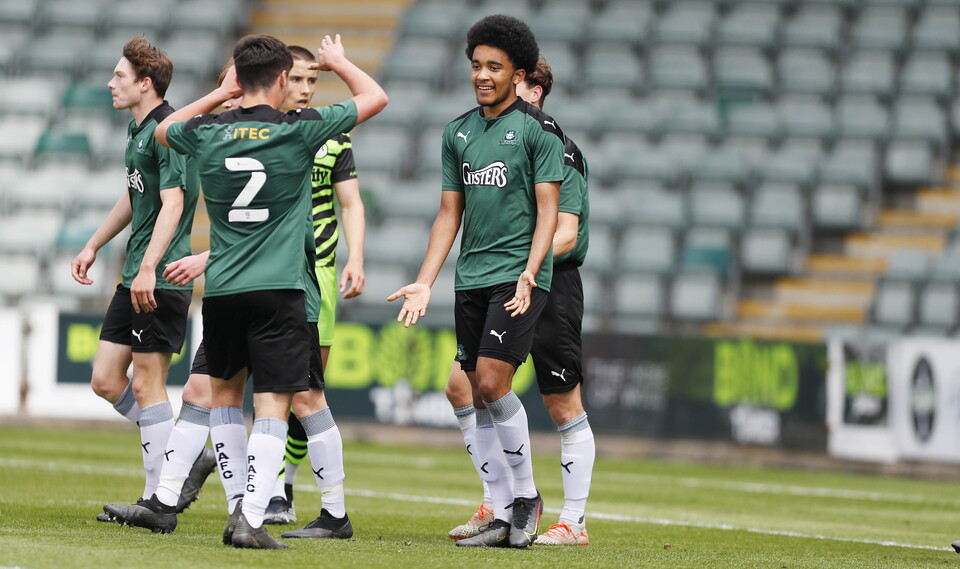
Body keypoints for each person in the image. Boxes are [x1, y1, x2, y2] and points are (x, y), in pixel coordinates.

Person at [156, 33, 386, 549]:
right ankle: (252, 519)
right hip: (280, 287)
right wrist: (341, 63)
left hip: (220, 291)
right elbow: (376, 97)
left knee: (223, 400)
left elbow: (163, 130)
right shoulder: (301, 130)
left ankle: (238, 507)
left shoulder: (208, 131)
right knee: (275, 405)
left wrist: (219, 94)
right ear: (284, 79)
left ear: (239, 78)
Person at [388, 15, 563, 549]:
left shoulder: (538, 130)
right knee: (470, 388)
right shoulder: (457, 132)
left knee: (490, 383)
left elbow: (549, 210)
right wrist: (425, 281)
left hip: (517, 278)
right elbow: (448, 216)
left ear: (519, 73)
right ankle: (503, 510)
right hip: (471, 278)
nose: (482, 75)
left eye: (495, 66)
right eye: (476, 65)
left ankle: (525, 500)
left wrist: (531, 273)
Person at [445, 57, 593, 547]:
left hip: (550, 282)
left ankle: (573, 520)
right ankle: (499, 502)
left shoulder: (559, 149)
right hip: (502, 281)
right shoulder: (487, 139)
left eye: (521, 87)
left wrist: (524, 263)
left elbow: (566, 235)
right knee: (463, 386)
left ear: (535, 90)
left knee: (561, 401)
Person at [71, 36, 214, 522]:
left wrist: (151, 266)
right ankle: (186, 454)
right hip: (135, 273)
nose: (111, 83)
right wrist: (94, 244)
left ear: (145, 84)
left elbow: (174, 204)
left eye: (119, 76)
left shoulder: (169, 131)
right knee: (106, 379)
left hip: (161, 275)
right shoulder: (138, 132)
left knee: (150, 385)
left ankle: (158, 501)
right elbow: (136, 197)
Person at [262, 45, 367, 527]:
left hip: (318, 273)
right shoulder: (257, 131)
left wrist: (356, 258)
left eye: (313, 81)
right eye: (299, 80)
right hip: (264, 273)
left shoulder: (332, 135)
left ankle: (282, 488)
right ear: (280, 79)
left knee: (307, 387)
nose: (305, 90)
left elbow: (350, 204)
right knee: (263, 388)